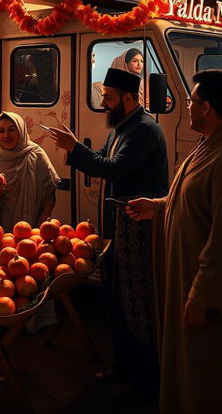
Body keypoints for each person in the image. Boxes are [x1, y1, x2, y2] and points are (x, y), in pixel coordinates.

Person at [127, 70, 222, 413]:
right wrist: (159, 206)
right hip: (194, 286)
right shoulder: (212, 144)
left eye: (192, 101)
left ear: (207, 107)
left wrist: (203, 294)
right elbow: (197, 200)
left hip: (215, 302)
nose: (188, 106)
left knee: (213, 376)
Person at [49, 67, 167, 395]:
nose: (104, 103)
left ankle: (147, 377)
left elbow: (113, 168)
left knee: (138, 300)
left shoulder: (144, 129)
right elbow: (101, 158)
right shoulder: (122, 128)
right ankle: (125, 364)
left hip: (138, 229)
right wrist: (75, 148)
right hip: (120, 227)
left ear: (128, 98)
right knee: (116, 295)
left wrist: (75, 147)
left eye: (109, 97)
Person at [0, 111, 60, 231]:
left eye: (11, 129)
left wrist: (43, 220)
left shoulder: (36, 154)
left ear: (21, 131)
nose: (6, 135)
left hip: (34, 227)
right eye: (1, 131)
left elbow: (50, 192)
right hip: (3, 229)